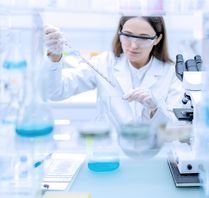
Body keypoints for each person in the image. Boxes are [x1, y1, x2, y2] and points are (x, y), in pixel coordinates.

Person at [44, 16, 184, 127]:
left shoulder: (171, 73)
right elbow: (55, 92)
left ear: (157, 39)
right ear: (119, 33)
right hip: (110, 154)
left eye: (143, 38)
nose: (133, 45)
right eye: (127, 35)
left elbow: (177, 128)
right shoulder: (103, 63)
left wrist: (155, 108)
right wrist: (55, 57)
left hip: (154, 154)